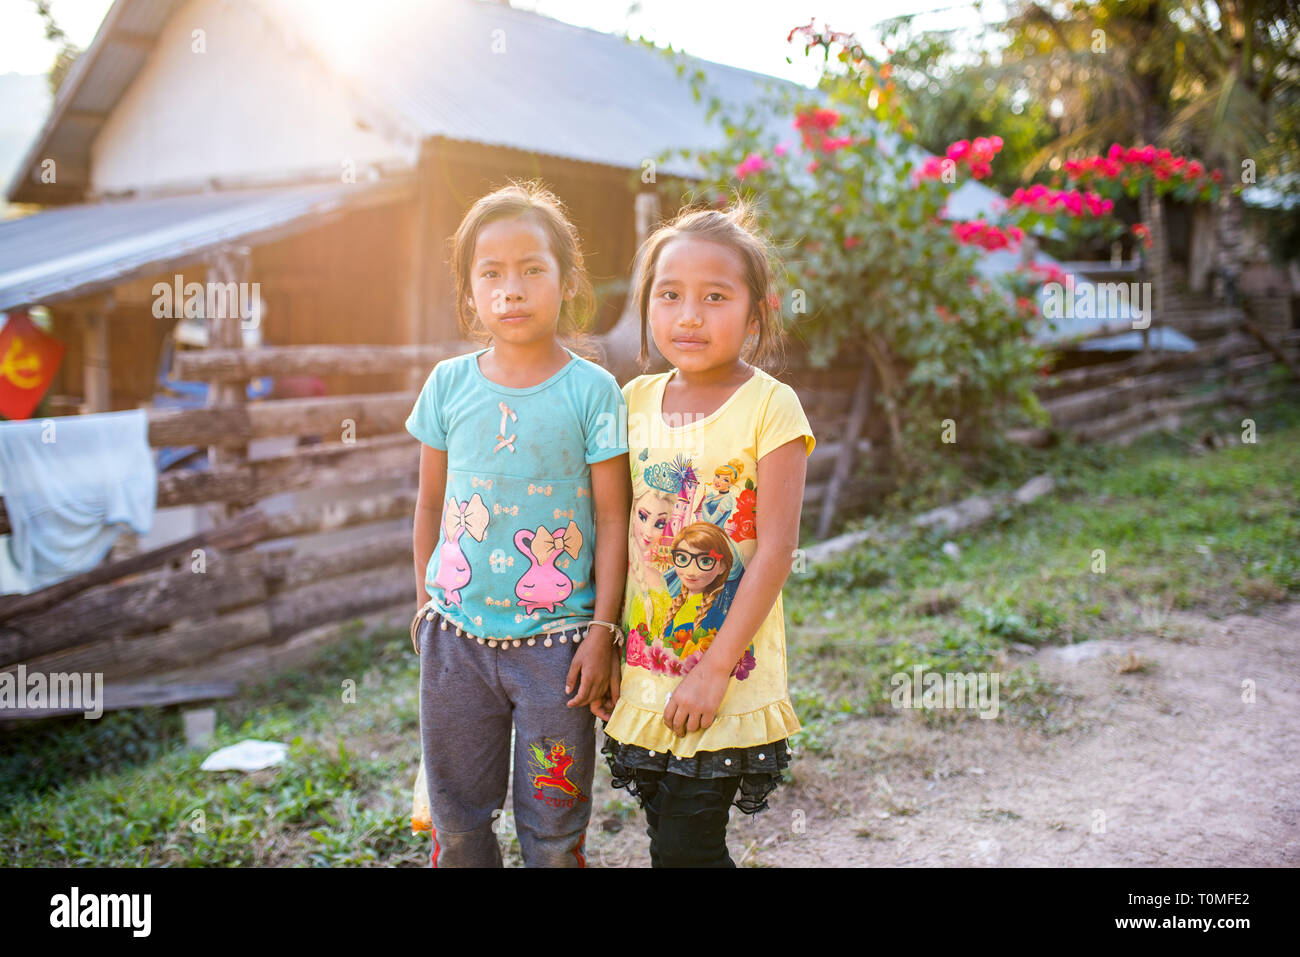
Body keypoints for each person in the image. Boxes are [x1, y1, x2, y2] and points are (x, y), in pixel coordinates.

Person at [406, 180, 630, 867]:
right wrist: (426, 607)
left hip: (557, 650)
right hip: (456, 642)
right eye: (492, 273)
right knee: (460, 820)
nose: (513, 288)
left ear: (566, 282)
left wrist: (603, 633)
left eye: (533, 269)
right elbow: (429, 504)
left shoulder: (592, 389)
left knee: (555, 826)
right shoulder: (447, 384)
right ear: (470, 291)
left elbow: (613, 517)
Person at [596, 201, 816, 867]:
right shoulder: (632, 401)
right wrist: (605, 641)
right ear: (647, 306)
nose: (689, 315)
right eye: (670, 295)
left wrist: (715, 668)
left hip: (724, 678)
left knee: (686, 850)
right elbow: (613, 527)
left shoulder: (771, 406)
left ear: (756, 313)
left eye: (715, 297)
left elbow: (775, 549)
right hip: (646, 675)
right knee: (670, 841)